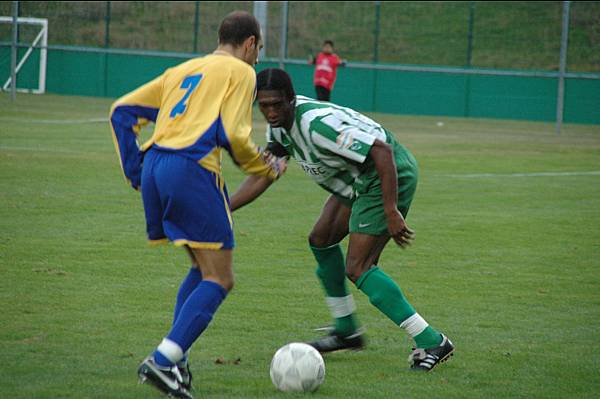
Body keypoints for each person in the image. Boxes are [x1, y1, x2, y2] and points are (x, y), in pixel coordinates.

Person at [230, 68, 454, 372]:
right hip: (357, 179)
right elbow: (266, 173)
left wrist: (391, 210)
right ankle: (347, 331)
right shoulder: (280, 128)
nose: (270, 112)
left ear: (291, 99)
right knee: (320, 240)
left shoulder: (316, 126)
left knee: (359, 267)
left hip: (388, 174)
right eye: (264, 105)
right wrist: (224, 208)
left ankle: (432, 341)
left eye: (276, 104)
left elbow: (382, 151)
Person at [109, 12, 285, 399]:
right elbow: (235, 136)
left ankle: (178, 365)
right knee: (221, 278)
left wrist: (138, 172)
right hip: (192, 167)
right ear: (250, 43)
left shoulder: (183, 70)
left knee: (200, 266)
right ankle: (163, 359)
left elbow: (121, 112)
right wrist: (265, 167)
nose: (256, 60)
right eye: (258, 51)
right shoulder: (242, 73)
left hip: (157, 165)